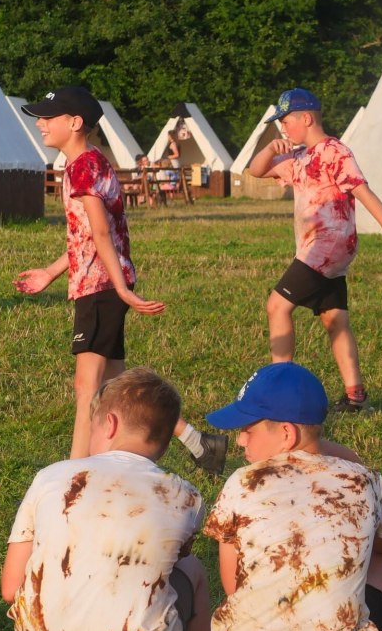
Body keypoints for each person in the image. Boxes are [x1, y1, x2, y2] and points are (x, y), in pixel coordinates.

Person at [13, 86, 224, 472]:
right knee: (117, 386)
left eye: (48, 117)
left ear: (74, 123)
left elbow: (101, 233)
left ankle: (74, 479)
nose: (41, 123)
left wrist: (121, 289)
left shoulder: (83, 167)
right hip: (102, 281)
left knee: (86, 388)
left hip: (101, 286)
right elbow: (87, 236)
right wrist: (51, 272)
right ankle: (199, 443)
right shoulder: (88, 162)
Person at [201, 362, 382, 631]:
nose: (240, 439)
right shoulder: (361, 480)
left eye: (248, 429)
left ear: (286, 434)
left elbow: (233, 586)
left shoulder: (240, 484)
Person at [1, 367, 210, 631]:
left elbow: (10, 588)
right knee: (192, 568)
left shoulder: (50, 476)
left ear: (109, 423)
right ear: (166, 441)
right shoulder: (187, 496)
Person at [246, 87, 382, 413]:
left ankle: (280, 393)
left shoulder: (335, 152)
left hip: (327, 245)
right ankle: (356, 397)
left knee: (277, 306)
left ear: (306, 119)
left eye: (286, 122)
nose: (283, 129)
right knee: (334, 319)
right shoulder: (298, 158)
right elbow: (256, 170)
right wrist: (269, 148)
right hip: (324, 249)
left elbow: (363, 192)